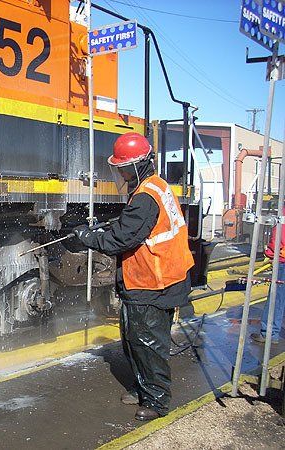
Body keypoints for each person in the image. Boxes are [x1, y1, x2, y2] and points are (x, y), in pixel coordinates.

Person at [72, 132, 194, 421]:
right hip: (154, 277)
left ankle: (157, 401)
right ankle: (143, 389)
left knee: (148, 343)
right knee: (133, 339)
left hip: (154, 281)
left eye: (124, 168)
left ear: (139, 164)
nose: (122, 173)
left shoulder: (145, 198)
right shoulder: (154, 186)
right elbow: (138, 227)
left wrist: (88, 237)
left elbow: (120, 240)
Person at [251, 214, 285, 345]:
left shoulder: (283, 213)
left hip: (282, 261)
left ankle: (269, 333)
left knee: (276, 299)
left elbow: (279, 238)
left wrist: (271, 252)